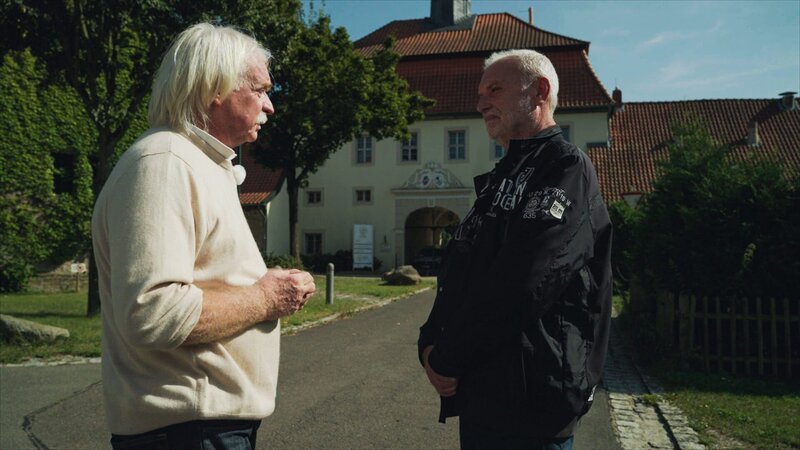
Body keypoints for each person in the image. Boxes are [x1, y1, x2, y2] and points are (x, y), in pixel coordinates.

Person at [92, 23, 316, 449]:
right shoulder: (164, 163)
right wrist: (268, 298)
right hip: (188, 431)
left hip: (200, 427)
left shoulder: (197, 163)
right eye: (261, 89)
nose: (269, 106)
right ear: (216, 88)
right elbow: (153, 312)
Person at [418, 49, 613, 450]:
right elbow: (463, 270)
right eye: (479, 93)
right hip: (484, 396)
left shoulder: (564, 169)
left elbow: (527, 279)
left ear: (539, 91)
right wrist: (428, 342)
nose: (480, 103)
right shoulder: (499, 178)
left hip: (532, 405)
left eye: (495, 89)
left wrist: (448, 357)